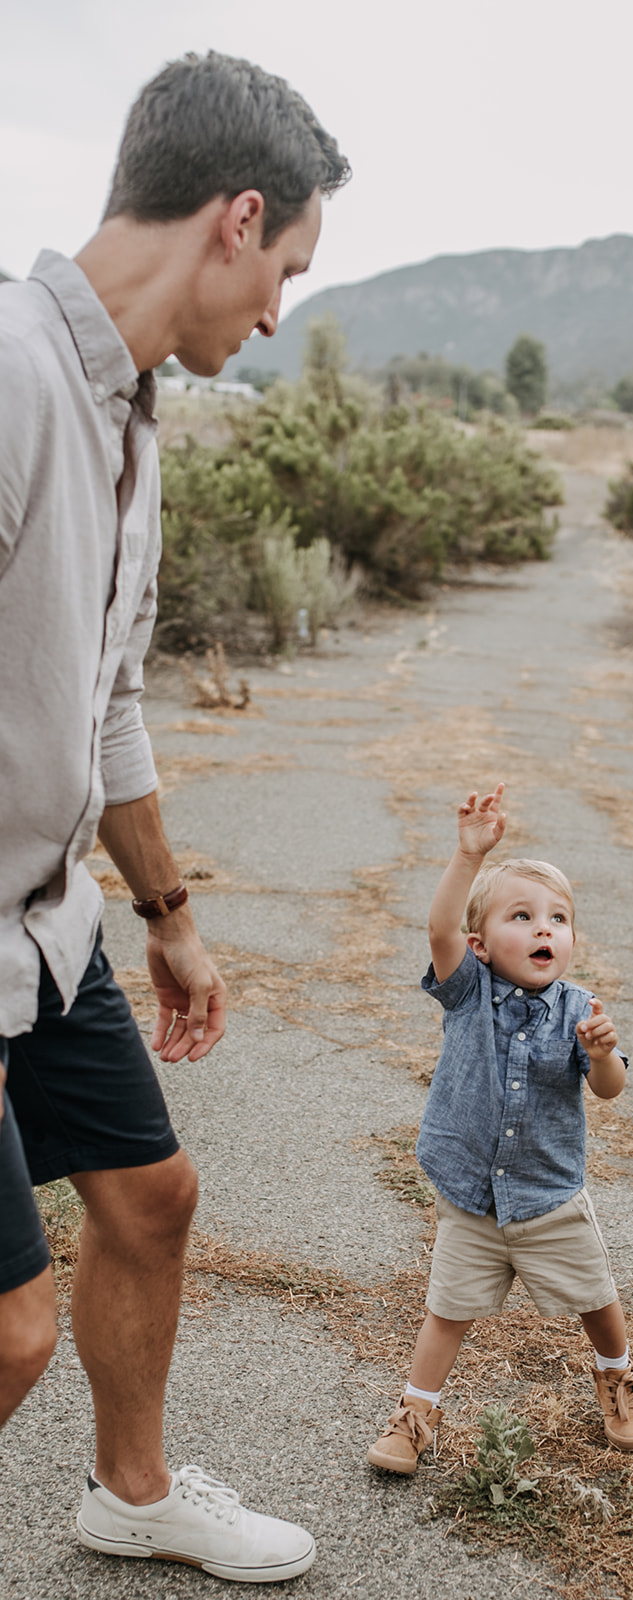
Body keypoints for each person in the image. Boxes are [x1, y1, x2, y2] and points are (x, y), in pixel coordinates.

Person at [0, 52, 349, 1583]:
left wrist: (168, 916)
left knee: (150, 1201)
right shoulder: (8, 373)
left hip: (48, 917)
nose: (277, 310)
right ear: (238, 217)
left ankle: (129, 1496)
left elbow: (110, 702)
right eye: (284, 270)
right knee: (6, 1326)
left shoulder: (131, 413)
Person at [366, 784, 633, 1475]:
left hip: (549, 1192)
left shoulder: (581, 1008)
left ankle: (615, 1379)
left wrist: (601, 1052)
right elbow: (436, 929)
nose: (543, 929)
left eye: (557, 918)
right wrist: (468, 856)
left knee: (596, 1298)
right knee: (449, 1309)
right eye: (521, 917)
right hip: (470, 1190)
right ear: (480, 945)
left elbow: (609, 1090)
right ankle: (414, 1414)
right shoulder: (468, 990)